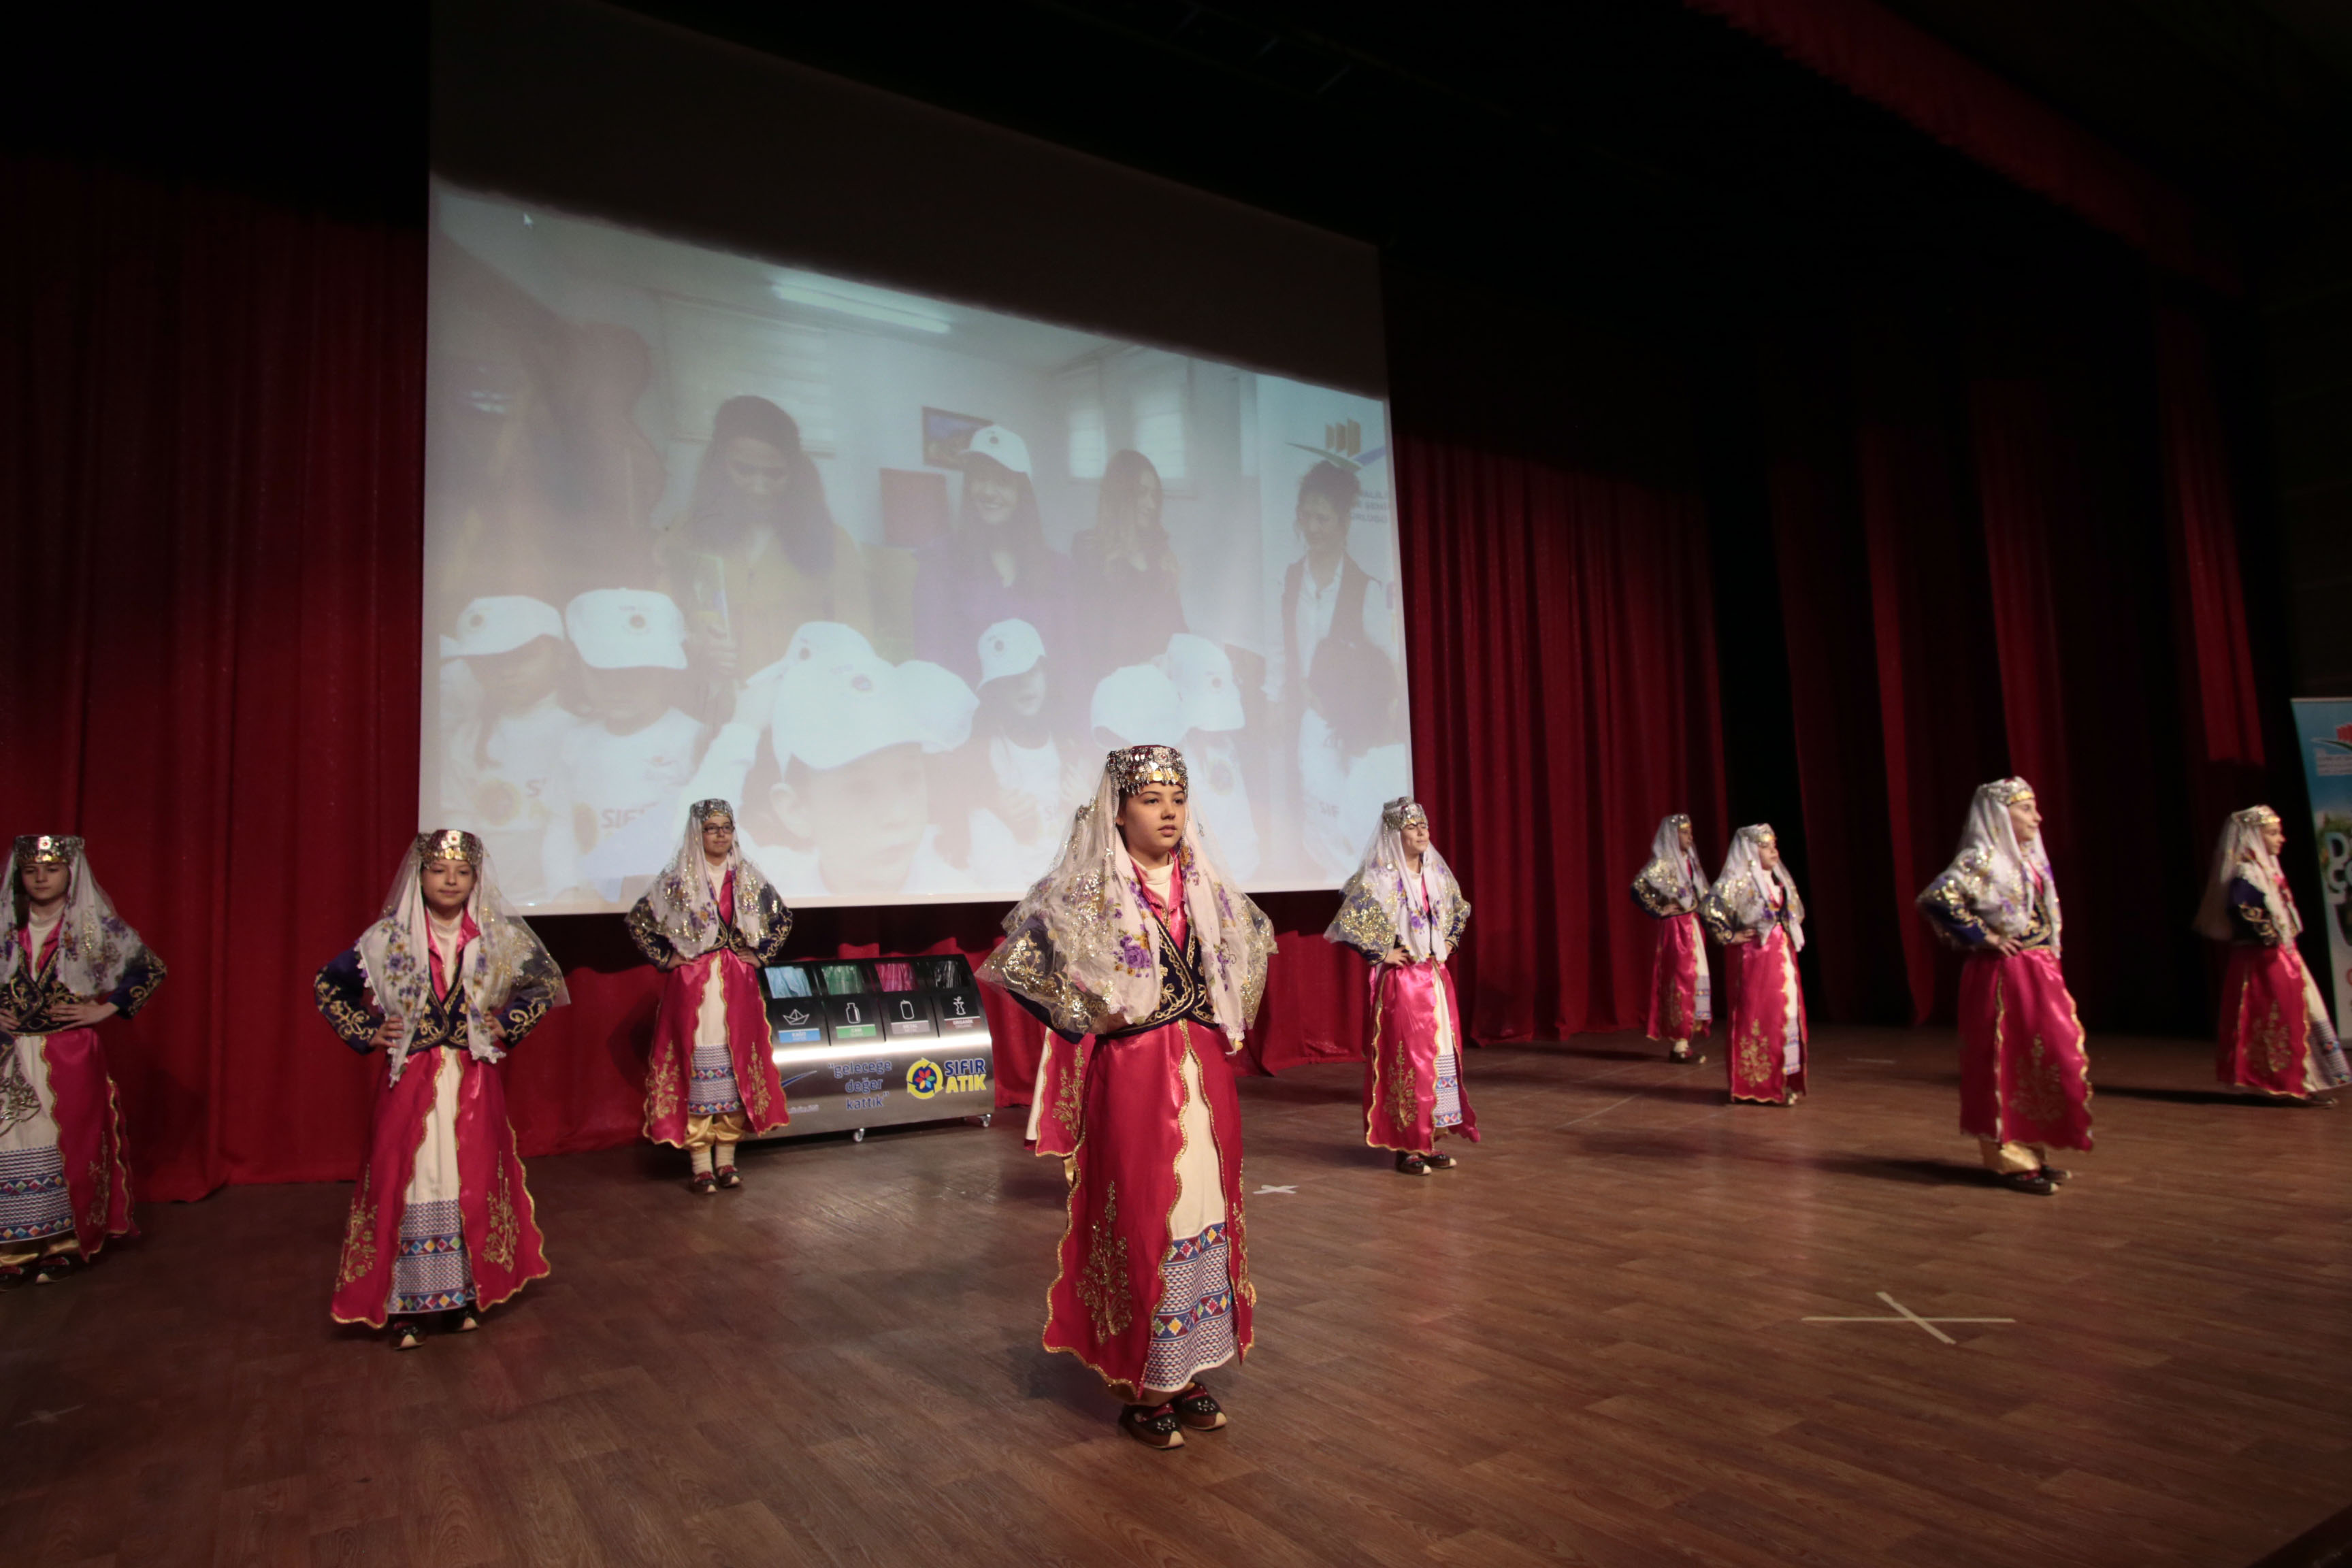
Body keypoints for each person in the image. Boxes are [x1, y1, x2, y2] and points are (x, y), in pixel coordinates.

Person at [978, 745, 1275, 1450]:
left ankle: (1190, 1367)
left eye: (1177, 798)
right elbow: (1022, 964)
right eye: (1151, 799)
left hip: (1202, 1070)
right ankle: (1143, 1381)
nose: (1169, 811)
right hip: (1135, 1073)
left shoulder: (1207, 886)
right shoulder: (1088, 889)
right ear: (1118, 810)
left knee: (1205, 1205)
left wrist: (1225, 1002)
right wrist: (1088, 1013)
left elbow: (1255, 946)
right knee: (1145, 1215)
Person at [314, 830, 568, 1347]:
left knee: (465, 1176)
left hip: (472, 1079)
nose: (450, 880)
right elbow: (329, 984)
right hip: (409, 1080)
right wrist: (368, 1030)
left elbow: (544, 983)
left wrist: (510, 1022)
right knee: (411, 1179)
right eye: (438, 870)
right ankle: (405, 1303)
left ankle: (459, 1297)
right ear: (420, 875)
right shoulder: (388, 938)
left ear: (476, 879)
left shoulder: (496, 937)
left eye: (462, 872)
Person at [0, 835, 164, 1286]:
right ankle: (14, 1245)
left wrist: (104, 1009)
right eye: (32, 870)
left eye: (51, 869)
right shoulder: (4, 926)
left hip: (67, 1051)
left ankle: (62, 1242)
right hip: (9, 1050)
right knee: (13, 1142)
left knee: (66, 1141)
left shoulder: (91, 927)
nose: (40, 878)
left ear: (70, 874)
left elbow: (149, 969)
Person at [1916, 779, 2091, 1195]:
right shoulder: (1982, 859)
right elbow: (1938, 898)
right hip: (2002, 973)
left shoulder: (2027, 858)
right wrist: (1985, 937)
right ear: (2000, 814)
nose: (2037, 817)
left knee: (2039, 1058)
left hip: (2036, 969)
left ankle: (2032, 1151)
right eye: (2027, 809)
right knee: (2003, 1061)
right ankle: (2010, 1160)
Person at [627, 799, 796, 1191]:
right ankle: (700, 1162)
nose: (720, 835)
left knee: (736, 1067)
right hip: (692, 986)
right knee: (696, 1066)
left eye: (726, 827)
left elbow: (782, 918)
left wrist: (760, 954)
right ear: (696, 834)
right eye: (711, 828)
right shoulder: (679, 879)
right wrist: (667, 958)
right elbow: (640, 922)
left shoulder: (748, 877)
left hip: (736, 983)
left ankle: (727, 1162)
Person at [663, 395, 877, 682]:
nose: (760, 488)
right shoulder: (687, 531)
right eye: (744, 470)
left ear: (796, 472)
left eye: (776, 474)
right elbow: (661, 620)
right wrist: (694, 644)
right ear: (720, 465)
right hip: (712, 697)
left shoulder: (833, 540)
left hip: (798, 701)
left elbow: (857, 639)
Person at [1264, 460, 1400, 875]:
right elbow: (1277, 649)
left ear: (1343, 522)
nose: (1313, 526)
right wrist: (1274, 701)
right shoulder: (1289, 581)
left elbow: (1385, 669)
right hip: (1298, 717)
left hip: (1347, 726)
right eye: (1306, 516)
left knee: (1344, 827)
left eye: (1323, 517)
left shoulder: (1366, 588)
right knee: (1300, 815)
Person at [1325, 798, 1474, 1174]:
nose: (1422, 832)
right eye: (1412, 827)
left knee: (1441, 1056)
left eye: (1424, 825)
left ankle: (1432, 1137)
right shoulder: (1380, 877)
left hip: (1436, 978)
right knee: (1409, 1058)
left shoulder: (1435, 874)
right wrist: (1382, 951)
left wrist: (1452, 941)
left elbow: (1458, 909)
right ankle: (1407, 1144)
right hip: (1405, 983)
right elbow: (1349, 913)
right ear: (1395, 834)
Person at [557, 588, 710, 898]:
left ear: (667, 672)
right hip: (591, 903)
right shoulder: (574, 741)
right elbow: (559, 824)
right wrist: (565, 890)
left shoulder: (694, 737)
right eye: (603, 672)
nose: (618, 687)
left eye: (635, 674)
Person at [2193, 805, 2349, 1105]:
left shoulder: (2266, 869)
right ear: (2254, 835)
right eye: (2274, 833)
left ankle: (2307, 1081)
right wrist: (2269, 934)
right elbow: (2243, 909)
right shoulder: (2246, 872)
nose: (2282, 839)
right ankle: (2291, 1082)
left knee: (2305, 1012)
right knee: (2285, 1016)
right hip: (2264, 959)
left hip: (2282, 955)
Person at [438, 595, 581, 904]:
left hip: (571, 901)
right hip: (494, 903)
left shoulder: (582, 730)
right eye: (489, 663)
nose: (506, 672)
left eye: (522, 656)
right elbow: (458, 821)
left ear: (561, 656)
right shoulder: (469, 739)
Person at [911, 425, 1068, 687]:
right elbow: (929, 660)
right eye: (979, 478)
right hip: (966, 713)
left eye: (1003, 481)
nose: (988, 491)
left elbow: (1067, 660)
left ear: (1022, 493)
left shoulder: (1058, 570)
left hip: (1035, 719)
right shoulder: (939, 562)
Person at [1699, 824, 1807, 1105]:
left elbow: (1794, 913)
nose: (1774, 850)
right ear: (1750, 850)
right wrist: (1730, 935)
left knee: (1788, 1013)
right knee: (1763, 1015)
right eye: (1766, 845)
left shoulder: (1778, 880)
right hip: (1757, 959)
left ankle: (1784, 1079)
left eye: (1774, 844)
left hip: (1782, 957)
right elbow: (1709, 908)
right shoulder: (1739, 881)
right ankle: (1760, 1084)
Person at [1072, 449, 1186, 672]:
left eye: (1154, 496)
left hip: (1160, 676)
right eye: (1141, 493)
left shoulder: (1160, 555)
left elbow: (1178, 628)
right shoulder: (1090, 551)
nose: (1151, 505)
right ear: (1120, 494)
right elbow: (1091, 640)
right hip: (1116, 681)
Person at [1166, 634, 1260, 881]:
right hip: (1208, 878)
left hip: (1246, 865)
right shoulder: (1177, 756)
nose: (1221, 729)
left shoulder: (1229, 743)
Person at [1629, 814, 1712, 1064]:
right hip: (1676, 929)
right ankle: (1679, 1044)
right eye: (1685, 833)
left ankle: (1685, 1040)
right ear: (1673, 836)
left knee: (1697, 977)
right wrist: (1658, 909)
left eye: (1690, 832)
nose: (1690, 837)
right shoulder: (1664, 863)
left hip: (1692, 925)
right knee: (1681, 980)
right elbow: (1638, 888)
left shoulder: (1690, 862)